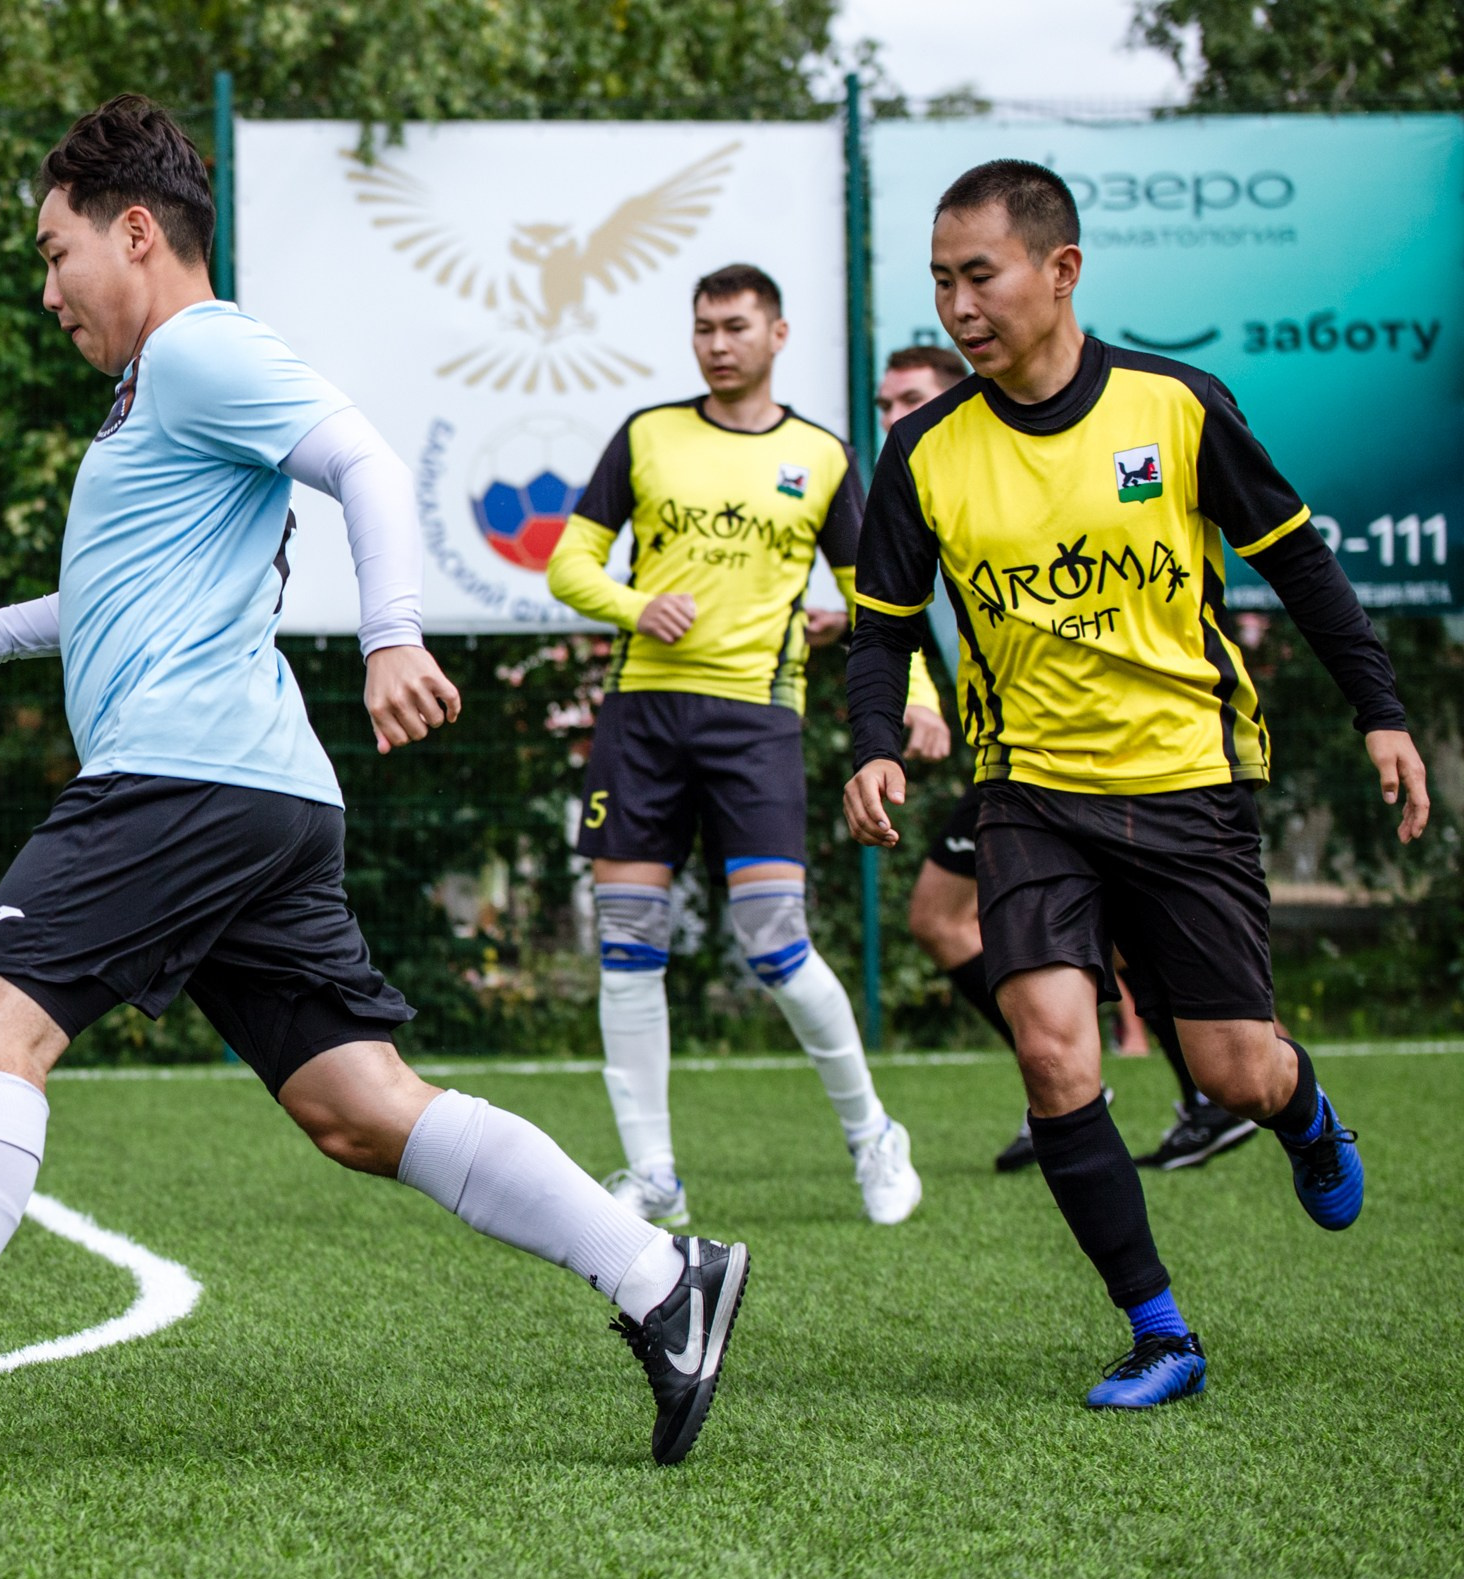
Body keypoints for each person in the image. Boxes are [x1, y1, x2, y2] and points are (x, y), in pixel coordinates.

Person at [0, 96, 748, 1469]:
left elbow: (369, 462)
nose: (47, 291)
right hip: (256, 793)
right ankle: (662, 1283)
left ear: (134, 232)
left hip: (181, 777)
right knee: (358, 1107)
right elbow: (116, 590)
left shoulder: (204, 347)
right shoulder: (157, 388)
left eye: (53, 254)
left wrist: (392, 633)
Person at [844, 159, 1428, 1408]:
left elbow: (1305, 569)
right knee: (1057, 1057)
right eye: (942, 280)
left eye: (980, 275)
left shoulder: (1177, 407)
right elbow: (880, 625)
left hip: (1189, 788)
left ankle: (1305, 1110)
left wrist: (1382, 711)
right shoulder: (923, 450)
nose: (959, 305)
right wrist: (874, 745)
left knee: (1232, 1071)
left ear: (1061, 272)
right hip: (1030, 795)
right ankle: (1160, 1331)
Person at [546, 264, 944, 1231]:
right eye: (703, 328)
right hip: (642, 717)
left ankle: (871, 1136)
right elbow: (569, 563)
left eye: (735, 326)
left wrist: (921, 693)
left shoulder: (822, 454)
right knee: (629, 946)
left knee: (776, 941)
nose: (717, 343)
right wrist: (639, 604)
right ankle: (654, 1176)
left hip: (756, 721)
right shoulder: (647, 435)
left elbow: (877, 602)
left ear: (777, 334)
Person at [880, 347, 1253, 1176]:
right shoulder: (920, 470)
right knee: (949, 919)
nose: (892, 413)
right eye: (884, 400)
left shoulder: (1043, 450)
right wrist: (913, 706)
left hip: (1101, 753)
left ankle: (1153, 1083)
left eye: (908, 397)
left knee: (973, 917)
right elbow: (889, 623)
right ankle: (1075, 1072)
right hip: (1014, 757)